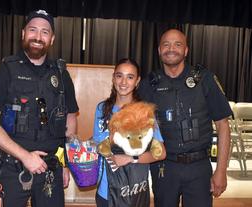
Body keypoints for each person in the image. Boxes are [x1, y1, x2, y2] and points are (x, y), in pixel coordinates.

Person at [0, 9, 78, 207]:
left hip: (51, 168)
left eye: (45, 32)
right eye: (33, 30)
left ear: (52, 38)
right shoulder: (7, 69)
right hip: (13, 167)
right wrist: (25, 156)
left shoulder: (61, 74)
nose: (38, 37)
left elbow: (70, 118)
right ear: (23, 33)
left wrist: (65, 162)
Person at [138, 29, 232, 207]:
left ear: (186, 50)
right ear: (159, 50)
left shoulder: (204, 79)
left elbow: (223, 125)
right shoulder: (148, 84)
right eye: (166, 44)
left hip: (199, 167)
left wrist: (221, 170)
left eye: (177, 44)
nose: (171, 48)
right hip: (163, 167)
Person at [93, 58, 166, 207]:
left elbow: (161, 153)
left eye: (130, 77)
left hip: (132, 192)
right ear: (113, 78)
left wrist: (130, 158)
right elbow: (97, 144)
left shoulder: (144, 112)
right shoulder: (102, 108)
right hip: (105, 190)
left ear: (137, 81)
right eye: (119, 76)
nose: (123, 82)